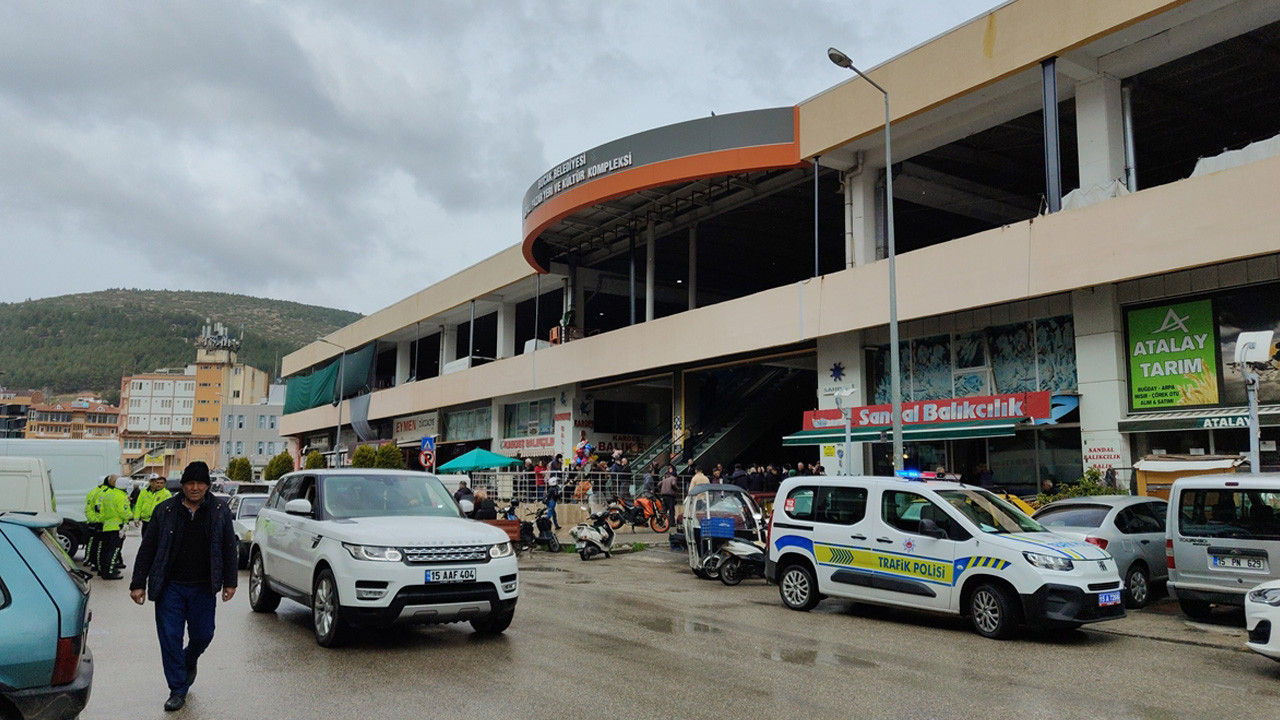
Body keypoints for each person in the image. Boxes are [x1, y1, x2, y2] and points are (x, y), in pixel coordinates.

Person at [129, 461, 238, 712]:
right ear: (183, 486)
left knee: (204, 634)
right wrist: (138, 583)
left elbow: (228, 548)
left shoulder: (219, 510)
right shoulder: (165, 510)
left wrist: (230, 582)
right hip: (170, 587)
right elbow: (148, 549)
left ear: (207, 486)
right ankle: (177, 689)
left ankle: (189, 659)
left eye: (200, 483)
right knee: (170, 638)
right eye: (190, 483)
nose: (195, 488)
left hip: (203, 587)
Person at [97, 474, 131, 579]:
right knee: (114, 551)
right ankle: (110, 572)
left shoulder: (107, 494)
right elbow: (123, 512)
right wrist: (131, 516)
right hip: (117, 527)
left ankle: (103, 570)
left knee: (105, 550)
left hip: (106, 526)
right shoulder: (122, 497)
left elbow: (101, 511)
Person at [84, 475, 111, 572]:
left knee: (94, 544)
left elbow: (88, 508)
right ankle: (97, 565)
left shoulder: (92, 492)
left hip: (95, 522)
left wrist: (93, 519)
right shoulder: (103, 493)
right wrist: (98, 520)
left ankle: (92, 562)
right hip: (101, 523)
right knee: (100, 546)